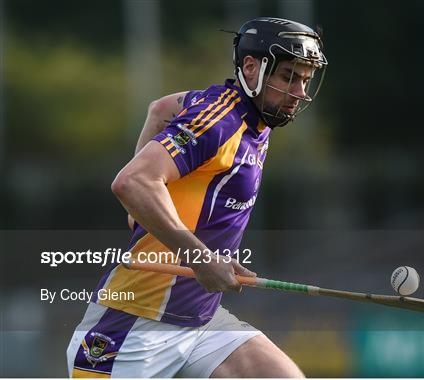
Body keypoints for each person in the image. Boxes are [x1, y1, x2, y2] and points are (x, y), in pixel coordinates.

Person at [66, 16, 327, 378]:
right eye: (288, 77)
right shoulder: (219, 121)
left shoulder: (248, 119)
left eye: (304, 79)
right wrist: (200, 258)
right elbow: (131, 182)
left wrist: (150, 207)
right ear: (250, 67)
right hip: (133, 327)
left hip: (201, 322)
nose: (298, 91)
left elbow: (159, 109)